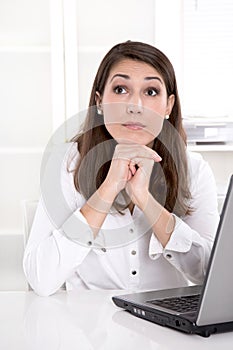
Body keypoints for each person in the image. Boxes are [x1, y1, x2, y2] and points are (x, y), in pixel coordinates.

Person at [23, 41, 219, 296]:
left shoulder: (195, 170)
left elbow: (208, 275)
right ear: (100, 102)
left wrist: (146, 201)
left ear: (168, 106)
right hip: (87, 326)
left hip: (167, 329)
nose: (135, 105)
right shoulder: (66, 163)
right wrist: (107, 190)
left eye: (150, 92)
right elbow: (42, 279)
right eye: (120, 89)